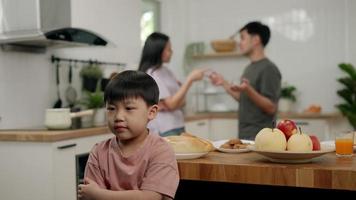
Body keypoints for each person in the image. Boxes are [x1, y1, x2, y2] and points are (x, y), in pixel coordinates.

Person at [78, 70, 179, 200]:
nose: (118, 116)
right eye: (111, 109)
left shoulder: (161, 151)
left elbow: (149, 197)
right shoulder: (99, 152)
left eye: (129, 108)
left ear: (152, 112)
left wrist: (99, 194)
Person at [210, 21, 281, 140]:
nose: (239, 43)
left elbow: (271, 107)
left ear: (256, 40)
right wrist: (223, 82)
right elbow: (243, 98)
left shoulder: (269, 68)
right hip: (245, 135)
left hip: (261, 138)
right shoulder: (249, 68)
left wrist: (248, 89)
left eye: (242, 38)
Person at [139, 32, 206, 137]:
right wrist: (190, 79)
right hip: (165, 128)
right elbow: (173, 104)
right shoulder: (152, 74)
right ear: (158, 51)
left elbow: (182, 101)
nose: (172, 52)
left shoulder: (166, 71)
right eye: (169, 49)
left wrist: (170, 104)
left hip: (178, 124)